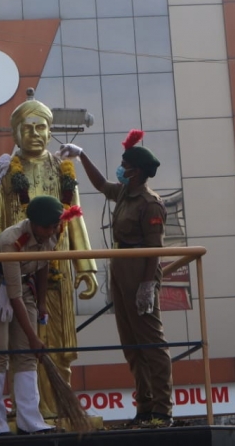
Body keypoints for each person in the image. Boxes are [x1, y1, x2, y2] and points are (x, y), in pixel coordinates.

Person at [0, 94, 98, 417]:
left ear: (50, 133)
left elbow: (75, 218)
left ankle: (63, 409)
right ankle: (28, 410)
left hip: (54, 264)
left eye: (41, 128)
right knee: (19, 344)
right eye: (28, 128)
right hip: (13, 267)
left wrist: (86, 267)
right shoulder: (4, 172)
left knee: (60, 344)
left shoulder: (63, 169)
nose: (34, 134)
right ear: (16, 133)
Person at [60, 129, 174, 427]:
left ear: (135, 172)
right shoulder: (125, 191)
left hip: (140, 269)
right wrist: (81, 155)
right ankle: (145, 406)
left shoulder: (150, 203)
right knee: (131, 343)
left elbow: (154, 249)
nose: (120, 169)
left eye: (125, 166)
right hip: (121, 267)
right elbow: (100, 184)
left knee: (151, 341)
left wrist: (148, 285)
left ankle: (162, 409)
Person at [0, 195, 72, 435]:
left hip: (23, 285)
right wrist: (33, 336)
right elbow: (13, 294)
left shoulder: (51, 232)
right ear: (34, 222)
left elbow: (43, 265)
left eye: (54, 225)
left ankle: (30, 422)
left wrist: (41, 303)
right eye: (48, 226)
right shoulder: (13, 240)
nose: (52, 230)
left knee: (27, 356)